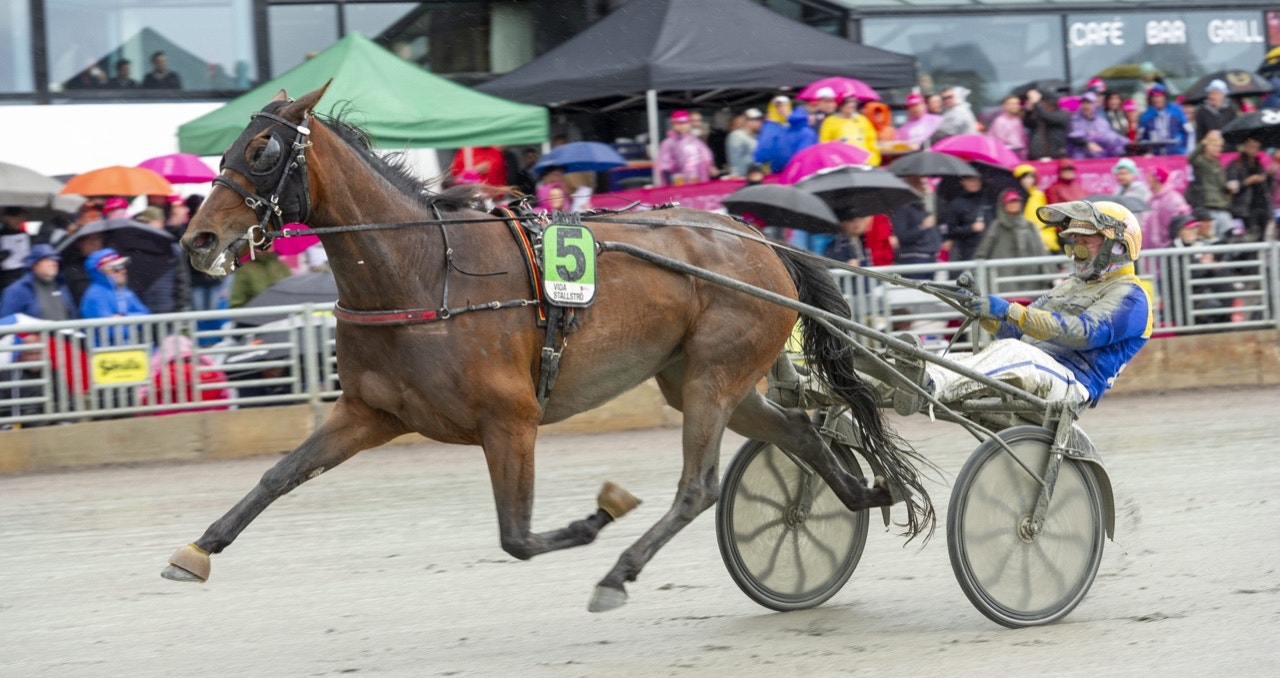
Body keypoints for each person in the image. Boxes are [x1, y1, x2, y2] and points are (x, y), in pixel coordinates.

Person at [900, 200, 1151, 412]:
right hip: (1036, 367)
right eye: (1074, 240)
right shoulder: (1070, 285)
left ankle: (931, 383)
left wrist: (1011, 311)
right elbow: (1020, 333)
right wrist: (986, 313)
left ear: (1117, 246)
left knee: (1011, 351)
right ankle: (890, 380)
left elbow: (1085, 333)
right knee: (949, 360)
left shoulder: (1132, 296)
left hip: (1072, 383)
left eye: (1086, 240)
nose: (1076, 248)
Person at [974, 190, 1053, 294]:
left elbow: (1041, 251)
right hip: (1003, 282)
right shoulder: (997, 227)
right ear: (1003, 205)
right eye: (1010, 202)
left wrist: (1050, 275)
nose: (1014, 205)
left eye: (1016, 201)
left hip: (1030, 281)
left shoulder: (1029, 226)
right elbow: (982, 253)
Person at [79, 248, 150, 344]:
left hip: (130, 348)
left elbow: (146, 315)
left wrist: (123, 318)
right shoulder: (95, 295)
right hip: (105, 352)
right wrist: (133, 321)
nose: (123, 271)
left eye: (123, 266)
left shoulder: (125, 291)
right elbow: (109, 330)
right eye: (116, 269)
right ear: (100, 272)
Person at [0, 244, 76, 320]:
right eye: (47, 260)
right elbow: (8, 323)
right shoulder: (16, 291)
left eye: (55, 260)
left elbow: (73, 316)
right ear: (33, 265)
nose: (54, 263)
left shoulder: (61, 286)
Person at [1185, 130, 1233, 239]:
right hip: (1208, 208)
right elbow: (1190, 158)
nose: (1218, 149)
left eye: (1220, 146)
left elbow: (1221, 185)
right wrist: (1202, 143)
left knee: (1227, 238)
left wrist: (1228, 189)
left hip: (1222, 207)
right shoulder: (1201, 161)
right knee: (1210, 239)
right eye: (1215, 145)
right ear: (1207, 145)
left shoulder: (1218, 163)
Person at [889, 177, 941, 278]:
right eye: (919, 185)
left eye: (923, 185)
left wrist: (936, 244)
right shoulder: (902, 208)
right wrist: (922, 227)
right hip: (914, 259)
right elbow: (902, 236)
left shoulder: (922, 207)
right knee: (915, 292)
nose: (923, 188)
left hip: (929, 258)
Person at [1225, 137, 1273, 241]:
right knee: (1250, 237)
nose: (1254, 149)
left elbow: (1267, 187)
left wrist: (1269, 175)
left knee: (1262, 239)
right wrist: (1247, 182)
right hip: (1246, 210)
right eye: (1251, 146)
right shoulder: (1235, 164)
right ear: (1244, 146)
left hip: (1262, 207)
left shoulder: (1259, 164)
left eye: (1256, 147)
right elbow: (1231, 189)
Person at [939, 174, 994, 262]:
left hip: (989, 252)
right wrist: (971, 228)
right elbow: (951, 231)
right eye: (970, 180)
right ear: (963, 182)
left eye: (976, 180)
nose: (974, 183)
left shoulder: (989, 200)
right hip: (967, 253)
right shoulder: (956, 204)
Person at [818, 95, 880, 165]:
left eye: (853, 106)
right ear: (840, 106)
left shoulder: (862, 120)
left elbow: (871, 141)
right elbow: (825, 143)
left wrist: (873, 160)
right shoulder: (830, 121)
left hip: (863, 161)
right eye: (848, 105)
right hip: (840, 162)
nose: (851, 108)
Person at [657, 110, 715, 185]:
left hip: (699, 182)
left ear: (689, 123)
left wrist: (709, 166)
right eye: (678, 123)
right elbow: (664, 167)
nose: (682, 126)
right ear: (673, 125)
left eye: (685, 123)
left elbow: (706, 157)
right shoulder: (668, 143)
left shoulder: (695, 141)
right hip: (679, 184)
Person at [753, 107, 816, 173]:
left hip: (779, 170)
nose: (814, 117)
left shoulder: (785, 130)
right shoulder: (808, 133)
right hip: (798, 171)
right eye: (812, 114)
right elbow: (804, 155)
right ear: (807, 117)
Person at [1067, 92, 1128, 159]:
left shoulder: (1101, 122)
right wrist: (1087, 143)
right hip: (1080, 159)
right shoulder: (1075, 120)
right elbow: (1073, 138)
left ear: (1094, 105)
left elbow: (1111, 137)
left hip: (1099, 159)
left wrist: (1127, 143)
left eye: (1089, 103)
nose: (1086, 106)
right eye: (1084, 103)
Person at [1145, 166, 1189, 251]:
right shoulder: (1151, 200)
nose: (1148, 180)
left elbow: (1178, 225)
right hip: (1152, 250)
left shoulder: (1173, 199)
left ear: (1156, 179)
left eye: (1150, 177)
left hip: (1168, 250)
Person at [1137, 84, 1188, 156]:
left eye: (1160, 96)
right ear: (1151, 99)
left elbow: (1188, 131)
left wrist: (1185, 150)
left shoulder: (1177, 110)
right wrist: (1146, 151)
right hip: (1155, 157)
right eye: (1155, 97)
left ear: (1165, 97)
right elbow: (1141, 138)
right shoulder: (1145, 116)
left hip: (1176, 155)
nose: (1158, 99)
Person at [1023, 88, 1070, 160]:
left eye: (1042, 103)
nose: (1041, 105)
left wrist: (1036, 103)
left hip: (1056, 156)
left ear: (1050, 103)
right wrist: (1029, 111)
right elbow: (1027, 123)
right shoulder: (1039, 114)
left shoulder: (1063, 114)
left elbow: (1047, 117)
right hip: (1037, 157)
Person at [1195, 80, 1238, 153]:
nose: (1212, 97)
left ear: (1223, 95)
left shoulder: (1231, 110)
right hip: (1209, 152)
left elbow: (1235, 132)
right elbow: (1199, 134)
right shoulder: (1202, 111)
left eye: (1215, 94)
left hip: (1229, 151)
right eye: (1210, 94)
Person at [1, 207, 34, 291]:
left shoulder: (29, 230)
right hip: (7, 275)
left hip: (26, 271)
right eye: (17, 217)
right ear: (7, 218)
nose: (21, 220)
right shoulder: (2, 233)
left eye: (23, 217)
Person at [725, 108, 763, 178]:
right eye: (756, 119)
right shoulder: (737, 135)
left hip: (755, 177)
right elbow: (736, 161)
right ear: (747, 121)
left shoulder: (757, 136)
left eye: (760, 119)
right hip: (742, 178)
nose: (760, 122)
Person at [986, 95, 1027, 160]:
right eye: (1011, 104)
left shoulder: (1017, 120)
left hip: (1020, 157)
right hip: (1007, 157)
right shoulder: (1000, 121)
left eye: (1017, 103)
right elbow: (1000, 142)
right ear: (1004, 105)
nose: (1015, 106)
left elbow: (1022, 139)